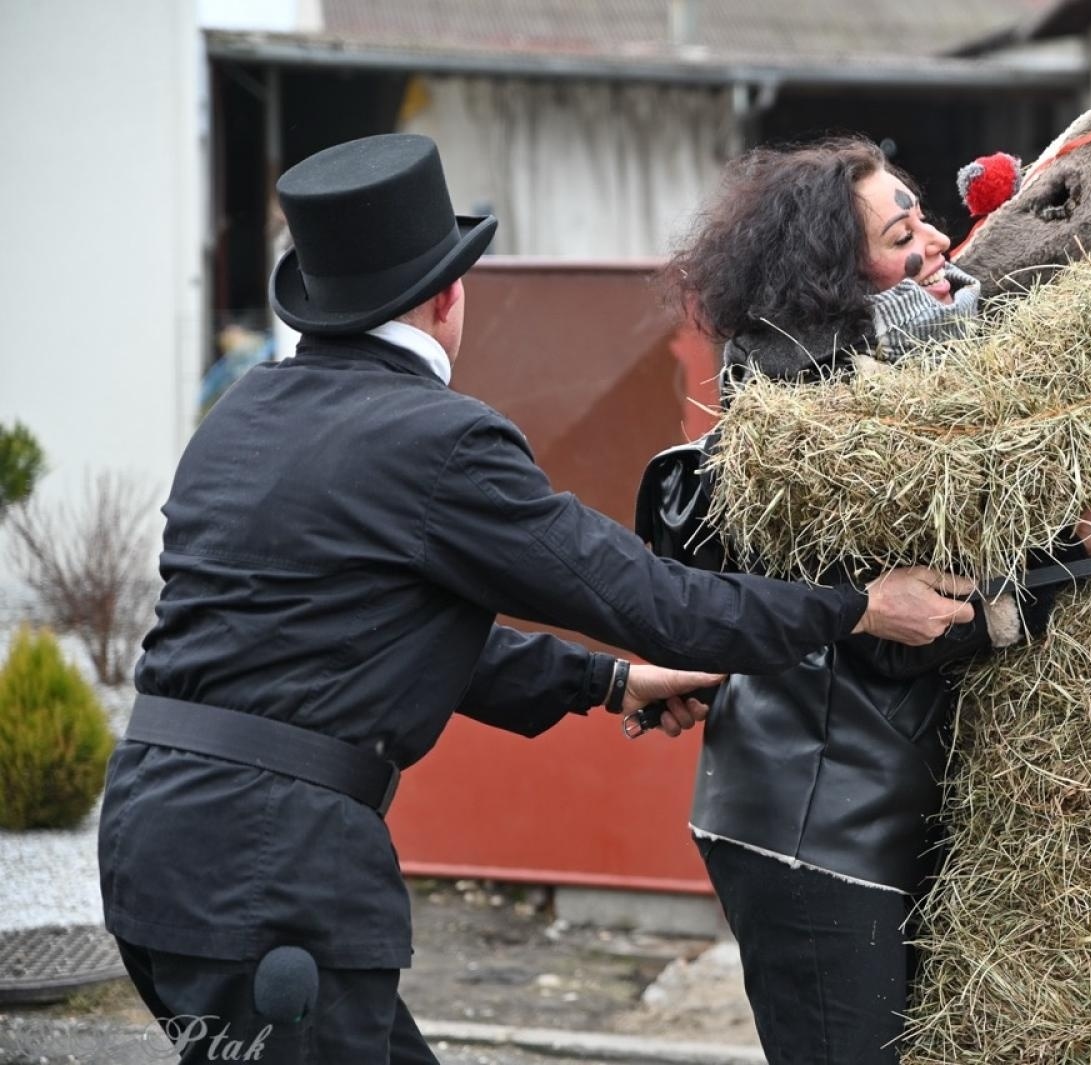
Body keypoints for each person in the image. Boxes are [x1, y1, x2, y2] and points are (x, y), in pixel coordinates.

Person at [97, 133, 981, 1065]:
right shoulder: (439, 442)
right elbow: (657, 599)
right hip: (269, 877)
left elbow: (362, 637)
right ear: (449, 296)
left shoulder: (242, 413)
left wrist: (606, 683)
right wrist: (857, 606)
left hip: (150, 846)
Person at [644, 138, 1091, 1064]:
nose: (937, 242)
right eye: (902, 236)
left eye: (922, 217)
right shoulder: (820, 422)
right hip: (816, 827)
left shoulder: (889, 378)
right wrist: (1073, 550)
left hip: (857, 806)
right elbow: (898, 632)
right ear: (834, 278)